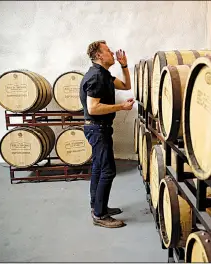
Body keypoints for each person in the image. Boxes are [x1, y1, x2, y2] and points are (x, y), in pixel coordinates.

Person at [79, 40, 135, 228]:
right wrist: (121, 107)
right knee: (108, 170)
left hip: (99, 128)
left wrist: (124, 65)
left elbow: (127, 85)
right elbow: (93, 108)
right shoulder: (96, 76)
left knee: (98, 168)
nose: (112, 53)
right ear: (99, 55)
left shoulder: (104, 75)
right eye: (108, 51)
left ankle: (97, 206)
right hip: (97, 128)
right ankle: (100, 216)